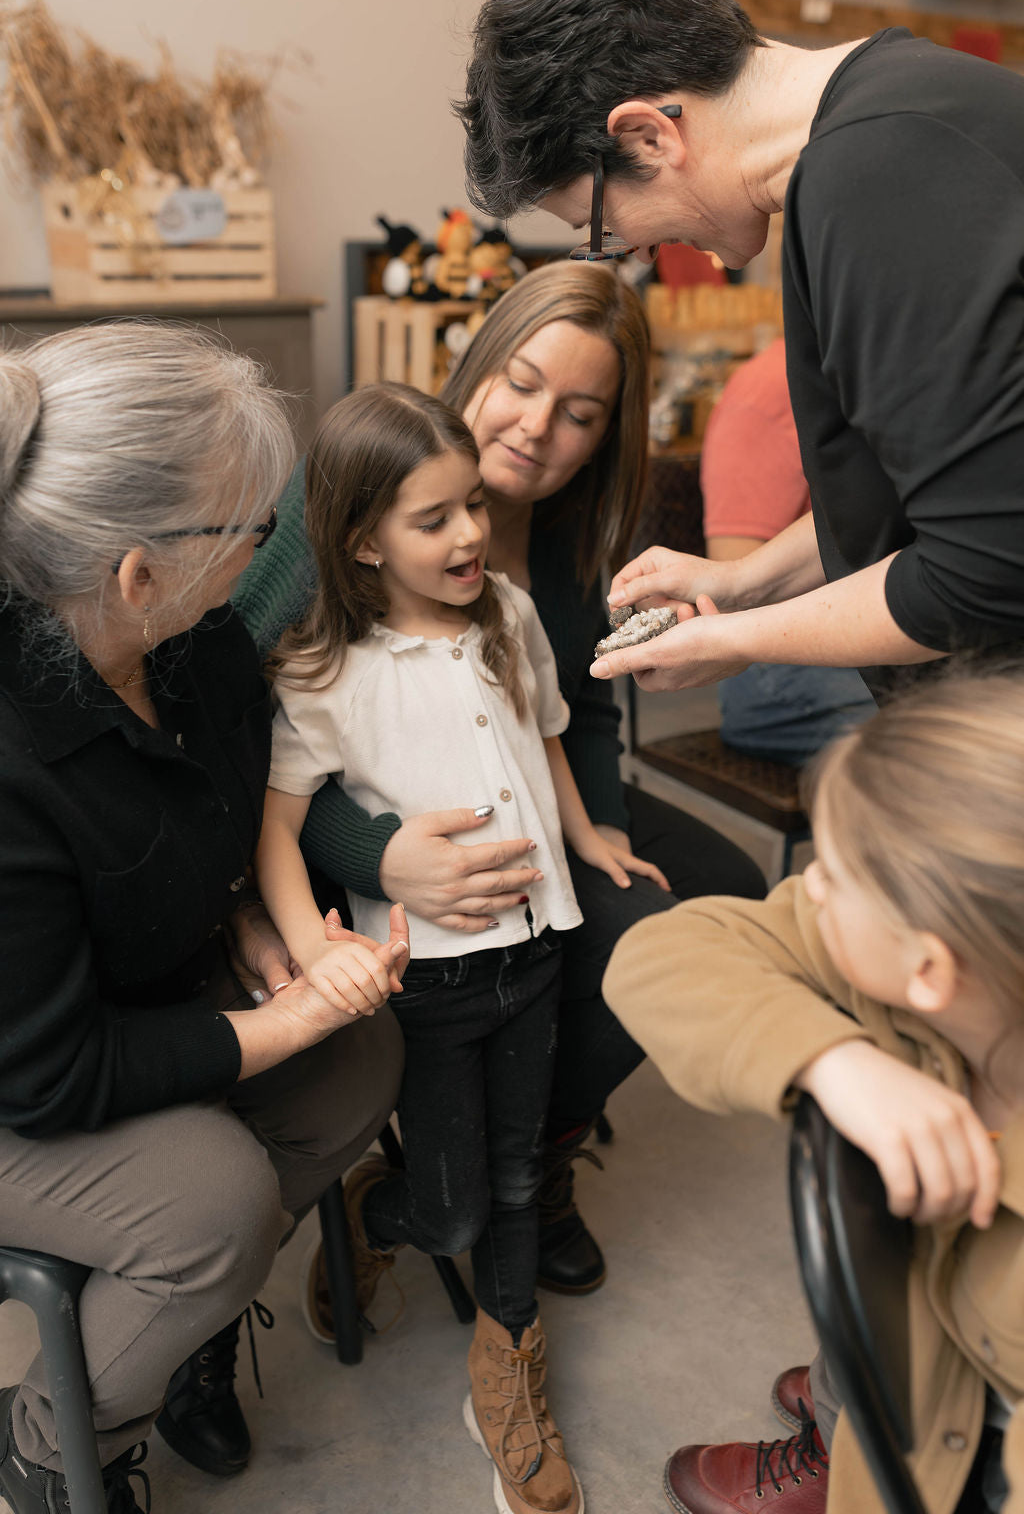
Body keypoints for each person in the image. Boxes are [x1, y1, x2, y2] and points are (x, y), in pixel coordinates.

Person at [233, 262, 767, 1312]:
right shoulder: (356, 488)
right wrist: (375, 851)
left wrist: (601, 828)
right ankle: (448, 1182)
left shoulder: (573, 534)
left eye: (578, 414)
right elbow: (251, 727)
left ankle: (530, 1153)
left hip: (516, 784)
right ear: (479, 363)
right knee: (603, 933)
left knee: (709, 892)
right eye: (520, 383)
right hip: (354, 819)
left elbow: (587, 700)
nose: (535, 430)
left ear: (609, 432)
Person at [0, 324, 407, 1514]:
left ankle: (177, 1320)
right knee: (213, 1204)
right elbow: (48, 1075)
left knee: (360, 1060)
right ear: (137, 571)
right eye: (251, 528)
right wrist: (283, 1019)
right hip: (23, 1071)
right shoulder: (14, 760)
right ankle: (48, 1439)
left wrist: (250, 928)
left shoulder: (195, 646)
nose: (268, 549)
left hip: (116, 1001)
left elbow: (206, 826)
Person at [256, 382, 667, 1514]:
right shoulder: (319, 670)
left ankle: (507, 1358)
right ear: (359, 538)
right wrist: (313, 947)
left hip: (534, 953)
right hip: (425, 983)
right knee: (451, 1208)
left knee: (522, 1169)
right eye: (432, 519)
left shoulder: (512, 618)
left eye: (472, 507)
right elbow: (278, 835)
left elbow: (548, 740)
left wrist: (593, 839)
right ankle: (378, 1211)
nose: (470, 534)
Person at [459, 0, 1024, 701]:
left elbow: (982, 568)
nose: (629, 250)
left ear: (648, 136)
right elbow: (949, 493)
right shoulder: (906, 102)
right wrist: (745, 581)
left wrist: (734, 638)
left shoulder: (875, 177)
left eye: (600, 226)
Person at [602, 668, 1024, 1514]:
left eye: (832, 874)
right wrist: (834, 1057)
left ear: (929, 966)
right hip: (925, 1367)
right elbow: (661, 957)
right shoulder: (946, 959)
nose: (810, 886)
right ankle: (853, 1403)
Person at [701, 338, 875, 764]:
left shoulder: (883, 372)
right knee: (944, 746)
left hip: (869, 625)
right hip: (779, 657)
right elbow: (736, 595)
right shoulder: (767, 393)